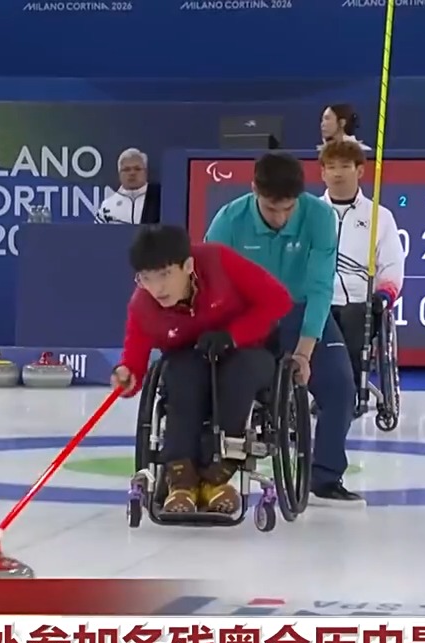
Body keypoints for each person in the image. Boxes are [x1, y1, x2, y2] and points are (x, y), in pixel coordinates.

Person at [204, 151, 363, 507]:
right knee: (224, 378)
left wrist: (305, 352)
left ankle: (325, 478)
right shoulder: (228, 221)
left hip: (300, 308)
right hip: (247, 314)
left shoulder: (320, 217)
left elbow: (321, 285)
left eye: (288, 209)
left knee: (340, 386)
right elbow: (210, 283)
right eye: (271, 208)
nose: (280, 218)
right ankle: (214, 465)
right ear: (254, 190)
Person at [112, 225, 291, 514]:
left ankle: (216, 476)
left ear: (188, 266)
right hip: (189, 358)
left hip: (247, 349)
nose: (157, 288)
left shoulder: (219, 262)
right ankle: (181, 480)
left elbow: (278, 300)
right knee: (180, 377)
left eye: (165, 275)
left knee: (237, 375)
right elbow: (134, 361)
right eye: (146, 278)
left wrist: (233, 335)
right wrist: (126, 376)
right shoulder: (143, 306)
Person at [319, 139, 404, 406]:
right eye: (331, 167)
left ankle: (348, 392)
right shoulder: (310, 213)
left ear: (359, 171)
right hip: (318, 299)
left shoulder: (380, 217)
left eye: (345, 166)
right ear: (322, 173)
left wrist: (384, 296)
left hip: (360, 304)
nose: (337, 173)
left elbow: (392, 266)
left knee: (357, 317)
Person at [96, 148, 162, 224]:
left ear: (146, 172)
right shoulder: (108, 206)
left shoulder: (160, 199)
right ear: (119, 174)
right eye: (126, 169)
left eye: (137, 169)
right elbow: (98, 231)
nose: (132, 173)